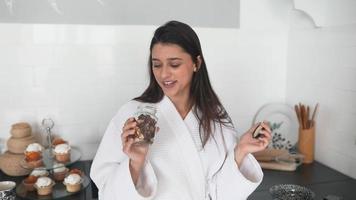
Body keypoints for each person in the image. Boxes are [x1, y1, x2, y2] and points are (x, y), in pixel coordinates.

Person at [90, 20, 272, 200]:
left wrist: (240, 151)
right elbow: (106, 191)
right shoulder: (133, 115)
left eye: (174, 64)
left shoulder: (215, 116)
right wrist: (135, 164)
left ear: (196, 63)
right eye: (157, 64)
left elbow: (221, 194)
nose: (163, 74)